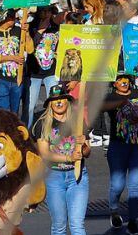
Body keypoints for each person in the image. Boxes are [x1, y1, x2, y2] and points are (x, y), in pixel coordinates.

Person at [35, 84, 90, 235]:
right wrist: (68, 157)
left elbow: (87, 152)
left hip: (77, 176)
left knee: (77, 225)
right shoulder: (42, 122)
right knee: (59, 226)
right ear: (50, 104)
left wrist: (83, 145)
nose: (59, 102)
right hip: (54, 177)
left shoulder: (78, 122)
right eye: (55, 100)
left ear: (67, 101)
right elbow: (45, 153)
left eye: (62, 99)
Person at [102, 73, 138, 235]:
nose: (123, 82)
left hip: (137, 146)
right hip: (117, 145)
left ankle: (133, 222)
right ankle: (113, 209)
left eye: (126, 79)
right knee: (117, 184)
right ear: (114, 83)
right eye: (119, 79)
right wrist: (123, 101)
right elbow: (102, 107)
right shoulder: (110, 96)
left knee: (135, 186)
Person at [0, 7, 32, 115]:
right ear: (3, 18)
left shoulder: (19, 31)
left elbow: (30, 49)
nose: (14, 18)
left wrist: (27, 33)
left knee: (14, 113)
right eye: (11, 17)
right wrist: (12, 58)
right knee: (3, 113)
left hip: (17, 79)